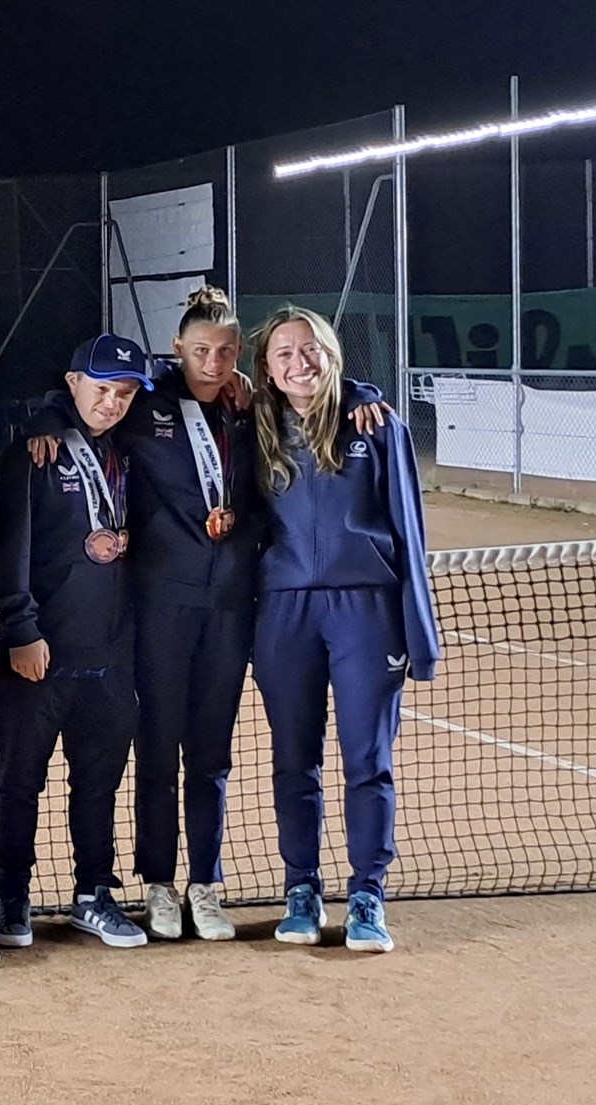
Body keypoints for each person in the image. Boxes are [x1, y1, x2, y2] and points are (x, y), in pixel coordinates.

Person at [25, 286, 389, 941]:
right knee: (159, 750)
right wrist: (48, 417)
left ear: (239, 354)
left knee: (213, 757)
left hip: (233, 606)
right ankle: (160, 884)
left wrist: (362, 393)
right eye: (200, 350)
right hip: (162, 605)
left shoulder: (252, 412)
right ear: (178, 350)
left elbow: (319, 386)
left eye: (225, 351)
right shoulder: (149, 405)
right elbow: (86, 405)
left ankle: (205, 885)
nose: (214, 362)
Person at [250, 306, 437, 954]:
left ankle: (367, 896)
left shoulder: (377, 425)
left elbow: (409, 532)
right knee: (292, 761)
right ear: (267, 370)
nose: (299, 362)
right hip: (282, 614)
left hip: (367, 613)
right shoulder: (251, 430)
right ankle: (301, 889)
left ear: (331, 353)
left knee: (368, 761)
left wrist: (421, 635)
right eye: (284, 354)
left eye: (310, 349)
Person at [0, 335, 153, 950]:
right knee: (20, 781)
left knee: (99, 783)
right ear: (74, 380)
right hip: (39, 656)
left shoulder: (133, 451)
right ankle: (11, 896)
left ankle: (93, 894)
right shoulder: (35, 455)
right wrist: (21, 631)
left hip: (110, 658)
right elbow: (6, 551)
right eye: (102, 388)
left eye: (126, 393)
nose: (112, 403)